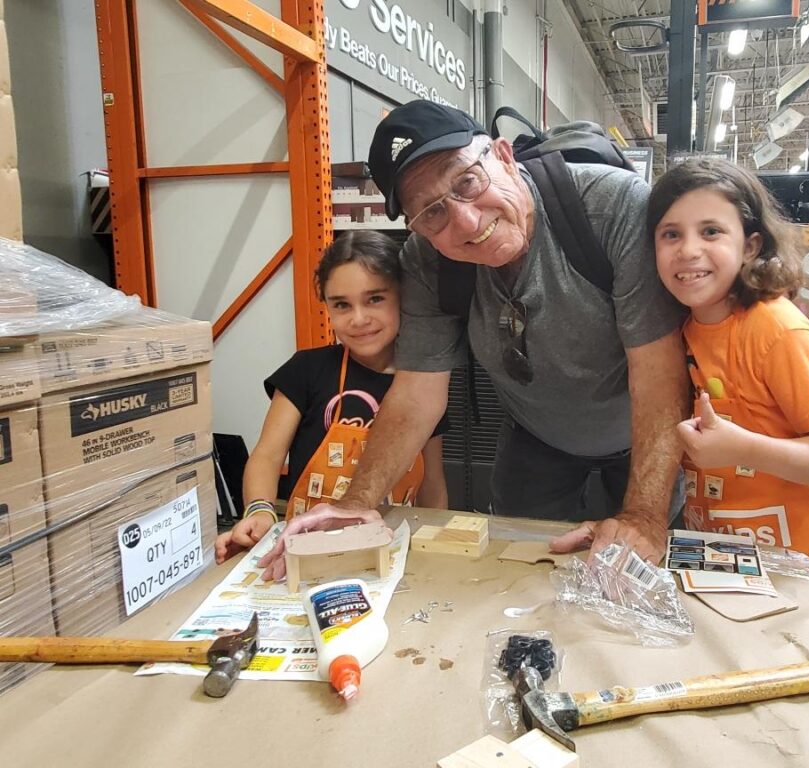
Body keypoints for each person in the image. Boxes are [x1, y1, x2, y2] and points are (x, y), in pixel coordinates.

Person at [257, 100, 687, 581]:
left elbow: (659, 376)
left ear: (503, 156)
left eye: (466, 182)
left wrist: (644, 516)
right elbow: (418, 391)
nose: (464, 222)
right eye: (431, 214)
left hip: (639, 434)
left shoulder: (612, 207)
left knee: (641, 573)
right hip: (536, 438)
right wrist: (358, 502)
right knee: (513, 576)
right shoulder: (428, 260)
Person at [647, 156, 809, 632]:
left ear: (750, 246)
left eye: (710, 232)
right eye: (671, 234)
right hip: (723, 564)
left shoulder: (779, 331)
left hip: (798, 572)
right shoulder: (682, 332)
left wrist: (740, 447)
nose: (688, 250)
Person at [215, 231, 448, 564]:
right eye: (341, 304)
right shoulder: (307, 369)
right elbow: (267, 455)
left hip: (390, 552)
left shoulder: (424, 386)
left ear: (405, 298)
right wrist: (260, 510)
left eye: (375, 299)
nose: (358, 318)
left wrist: (434, 545)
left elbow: (433, 484)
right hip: (306, 549)